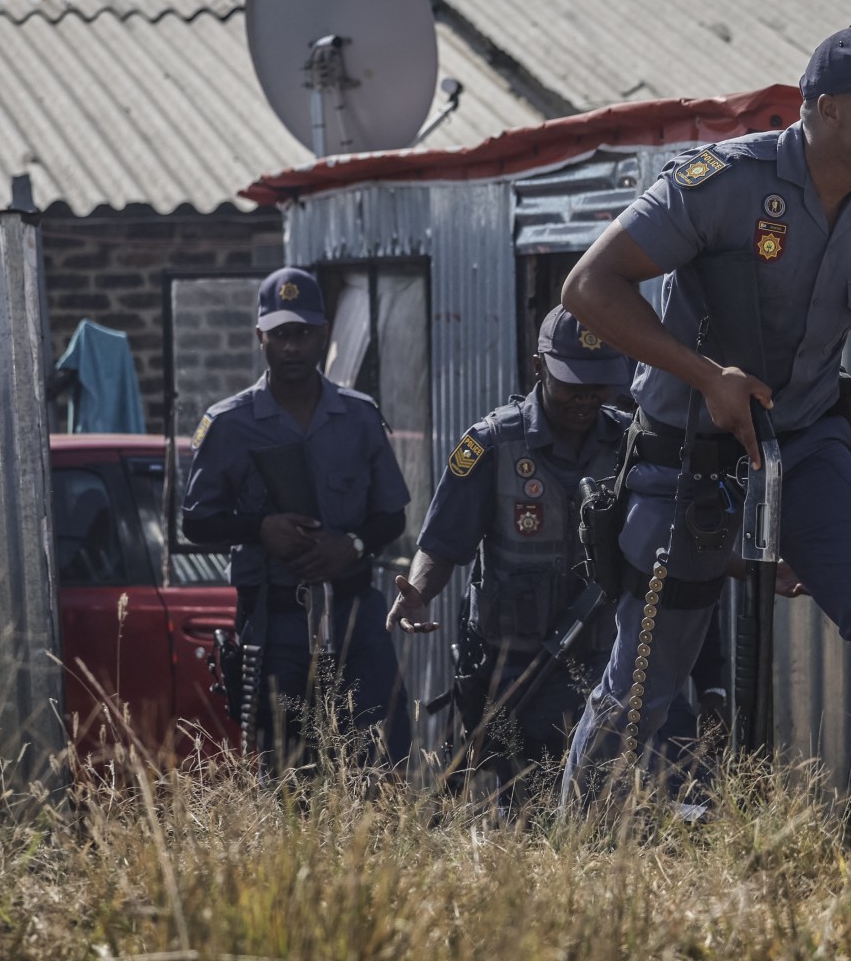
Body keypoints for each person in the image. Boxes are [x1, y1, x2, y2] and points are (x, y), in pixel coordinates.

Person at [558, 25, 851, 812]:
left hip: (805, 450)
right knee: (646, 685)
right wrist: (707, 376)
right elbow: (589, 286)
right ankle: (579, 848)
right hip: (689, 459)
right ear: (826, 109)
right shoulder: (722, 182)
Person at [384, 307, 647, 793]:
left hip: (606, 667)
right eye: (573, 382)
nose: (586, 397)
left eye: (598, 383)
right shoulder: (490, 445)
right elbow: (441, 545)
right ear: (538, 366)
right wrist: (418, 590)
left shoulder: (632, 442)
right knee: (525, 813)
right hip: (516, 676)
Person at [182, 266, 410, 764]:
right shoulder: (230, 423)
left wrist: (348, 545)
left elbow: (392, 515)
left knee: (381, 753)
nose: (292, 347)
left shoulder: (359, 416)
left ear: (322, 335)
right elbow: (196, 522)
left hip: (352, 612)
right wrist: (259, 529)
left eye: (302, 334)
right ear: (260, 336)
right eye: (281, 335)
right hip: (275, 618)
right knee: (288, 766)